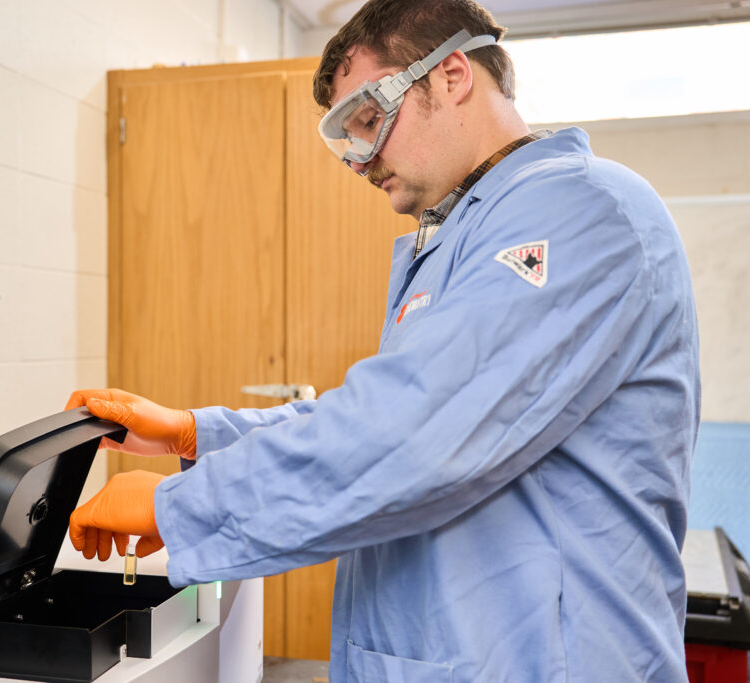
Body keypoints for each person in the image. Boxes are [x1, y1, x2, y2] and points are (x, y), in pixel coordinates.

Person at [66, 0, 701, 680]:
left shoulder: (580, 210)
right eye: (346, 137)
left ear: (452, 74)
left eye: (369, 120)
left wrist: (181, 507)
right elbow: (386, 410)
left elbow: (417, 433)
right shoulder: (465, 232)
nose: (359, 160)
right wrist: (198, 432)